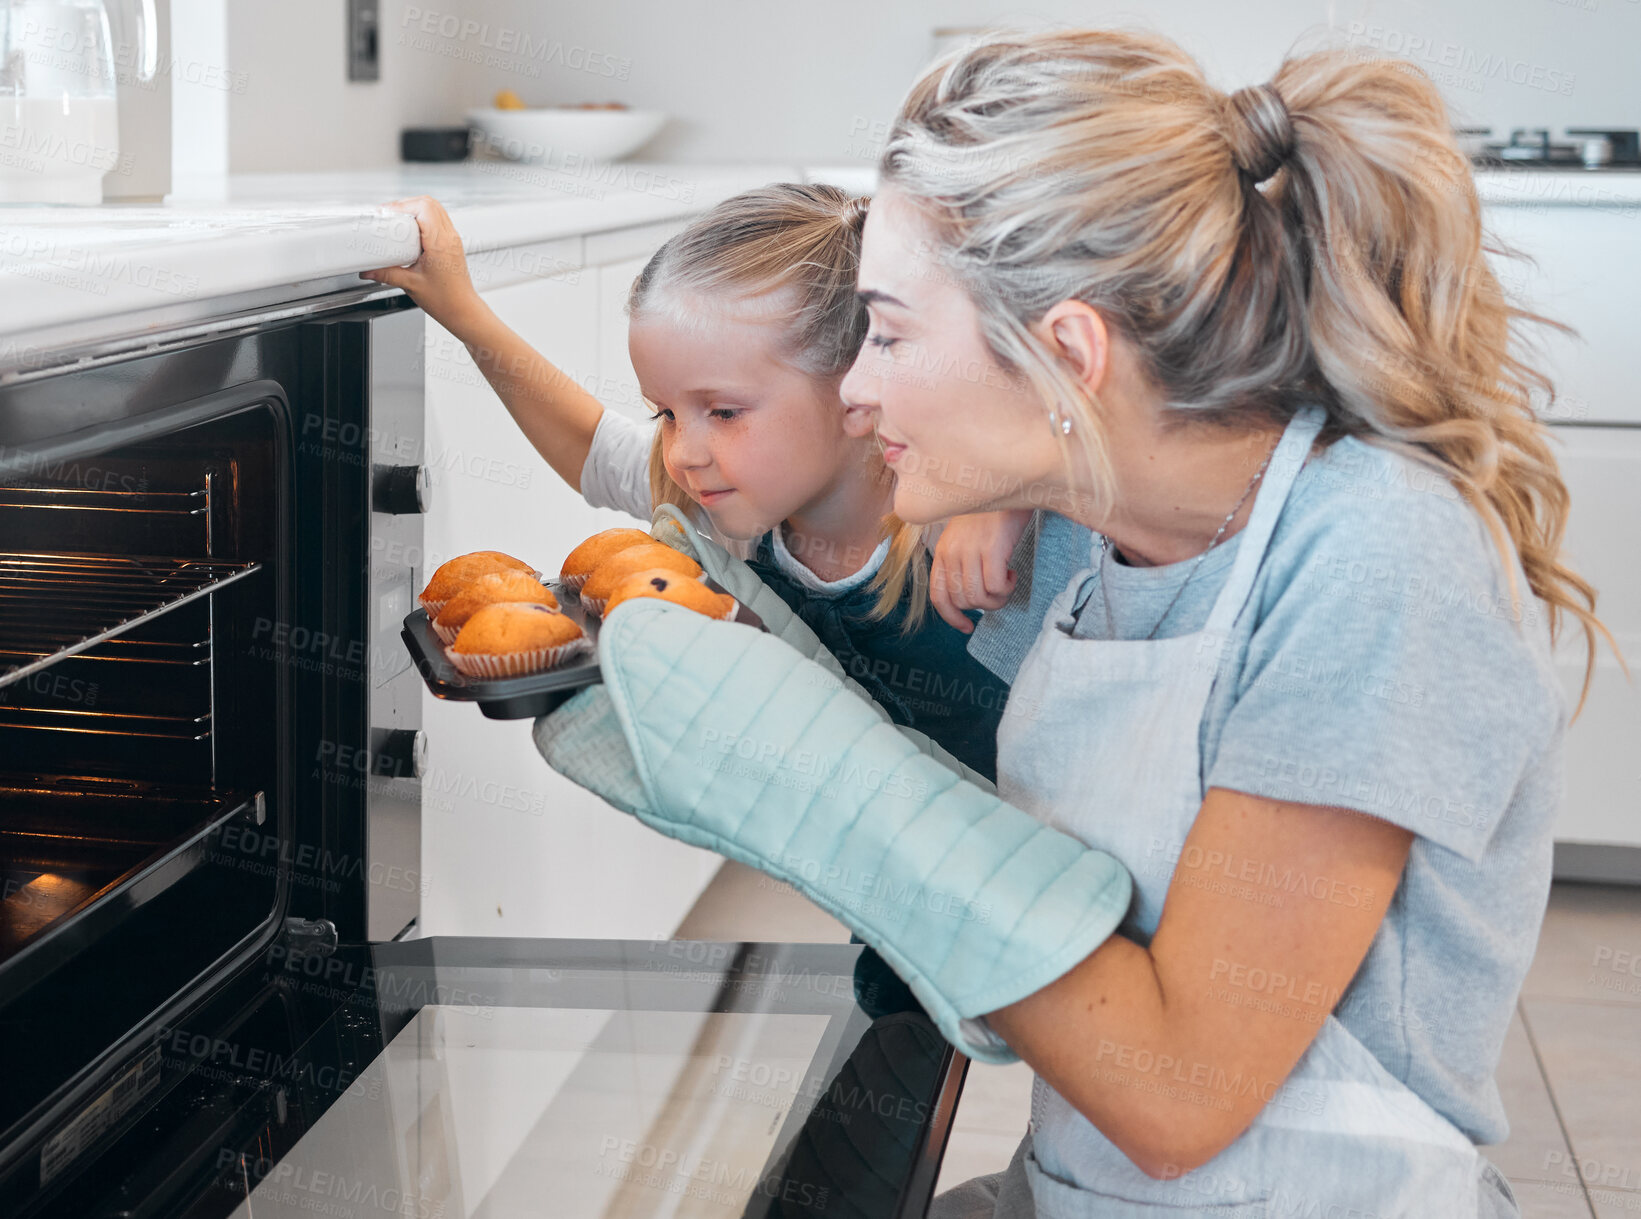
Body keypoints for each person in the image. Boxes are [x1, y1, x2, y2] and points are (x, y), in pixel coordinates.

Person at [533, 27, 1615, 1219]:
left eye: (887, 333)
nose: (854, 389)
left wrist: (802, 767)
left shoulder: (1372, 560)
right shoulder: (1100, 540)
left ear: (1067, 356)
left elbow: (1180, 1093)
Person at [362, 184, 1085, 780]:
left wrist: (1011, 490)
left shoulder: (967, 525)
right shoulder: (728, 507)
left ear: (858, 385)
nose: (684, 451)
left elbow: (1135, 396)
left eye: (725, 411)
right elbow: (592, 445)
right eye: (668, 413)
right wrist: (461, 310)